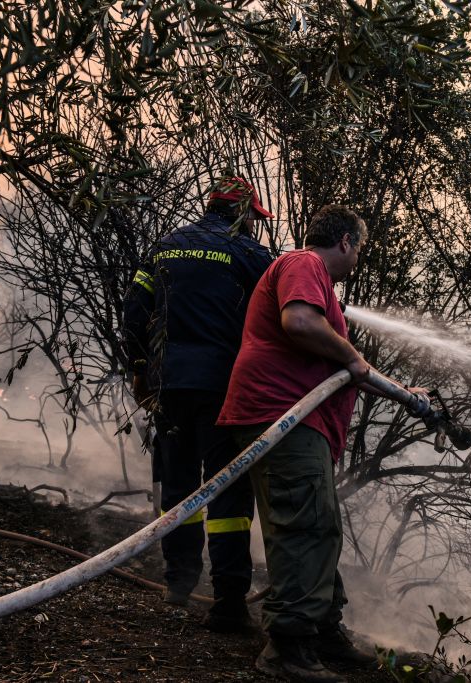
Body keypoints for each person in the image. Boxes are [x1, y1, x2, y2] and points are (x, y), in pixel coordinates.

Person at [218, 205, 425, 682]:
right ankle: (288, 648)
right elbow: (300, 325)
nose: (359, 260)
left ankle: (322, 631)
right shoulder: (304, 264)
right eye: (360, 250)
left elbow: (344, 371)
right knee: (305, 526)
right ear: (346, 242)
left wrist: (406, 395)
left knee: (321, 525)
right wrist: (352, 356)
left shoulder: (319, 291)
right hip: (282, 417)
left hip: (295, 421)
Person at [122, 176, 275, 632]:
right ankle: (228, 601)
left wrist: (139, 368)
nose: (253, 224)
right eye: (253, 216)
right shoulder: (249, 254)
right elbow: (278, 310)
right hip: (222, 388)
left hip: (168, 384)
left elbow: (134, 311)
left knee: (179, 487)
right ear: (243, 214)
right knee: (227, 489)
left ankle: (178, 585)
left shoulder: (165, 246)